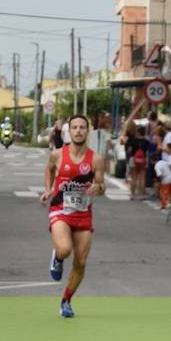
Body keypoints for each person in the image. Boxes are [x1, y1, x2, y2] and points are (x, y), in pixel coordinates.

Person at [40, 113, 105, 318]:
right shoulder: (58, 154)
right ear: (69, 131)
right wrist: (48, 189)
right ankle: (58, 257)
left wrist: (98, 188)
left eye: (82, 128)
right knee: (65, 249)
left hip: (83, 214)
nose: (78, 131)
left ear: (88, 131)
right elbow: (49, 170)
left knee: (81, 262)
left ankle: (66, 300)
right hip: (60, 209)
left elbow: (102, 185)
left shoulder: (96, 159)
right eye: (74, 127)